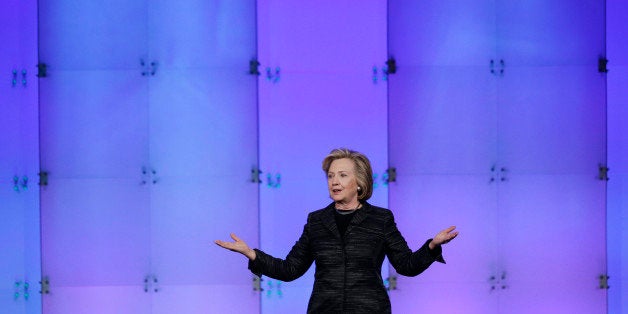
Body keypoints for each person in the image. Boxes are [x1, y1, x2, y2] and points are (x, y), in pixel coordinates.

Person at [215, 148, 458, 313]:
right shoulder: (317, 221)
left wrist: (431, 246)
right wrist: (252, 254)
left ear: (360, 183)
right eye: (331, 176)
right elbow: (290, 269)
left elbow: (407, 265)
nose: (334, 181)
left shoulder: (380, 219)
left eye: (342, 175)